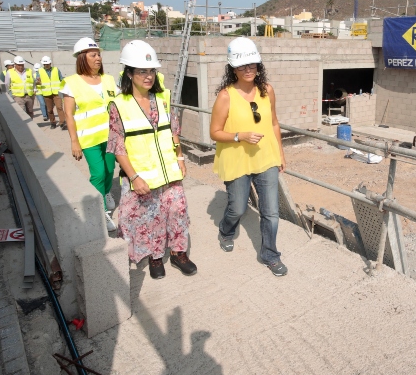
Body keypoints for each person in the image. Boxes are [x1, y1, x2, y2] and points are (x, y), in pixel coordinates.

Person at [108, 40, 197, 279]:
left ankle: (179, 254)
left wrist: (180, 156)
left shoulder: (162, 98)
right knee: (152, 218)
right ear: (129, 73)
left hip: (169, 171)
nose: (148, 76)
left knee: (178, 211)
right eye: (142, 71)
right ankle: (156, 257)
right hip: (143, 175)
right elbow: (117, 145)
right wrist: (134, 176)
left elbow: (173, 130)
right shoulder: (119, 105)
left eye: (151, 71)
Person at [210, 37, 288, 277]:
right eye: (242, 66)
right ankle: (226, 229)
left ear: (258, 66)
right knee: (238, 207)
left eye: (252, 65)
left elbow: (274, 123)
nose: (248, 70)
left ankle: (270, 255)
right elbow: (214, 132)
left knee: (271, 212)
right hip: (237, 159)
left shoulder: (267, 91)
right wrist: (239, 136)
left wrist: (280, 153)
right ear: (233, 68)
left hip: (266, 158)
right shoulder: (225, 96)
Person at [62, 37, 118, 232]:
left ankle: (107, 192)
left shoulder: (109, 80)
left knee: (110, 170)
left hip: (111, 136)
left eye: (99, 55)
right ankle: (100, 210)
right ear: (82, 58)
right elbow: (69, 114)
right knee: (98, 173)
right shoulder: (71, 83)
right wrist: (74, 142)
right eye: (93, 55)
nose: (98, 58)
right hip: (89, 139)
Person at [38, 55, 67, 129]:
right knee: (49, 110)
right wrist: (37, 82)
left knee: (59, 107)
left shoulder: (56, 70)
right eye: (45, 64)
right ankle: (53, 122)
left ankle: (62, 123)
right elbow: (37, 81)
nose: (46, 65)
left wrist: (63, 89)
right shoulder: (40, 71)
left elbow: (61, 80)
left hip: (56, 92)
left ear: (50, 63)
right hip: (46, 93)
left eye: (47, 64)